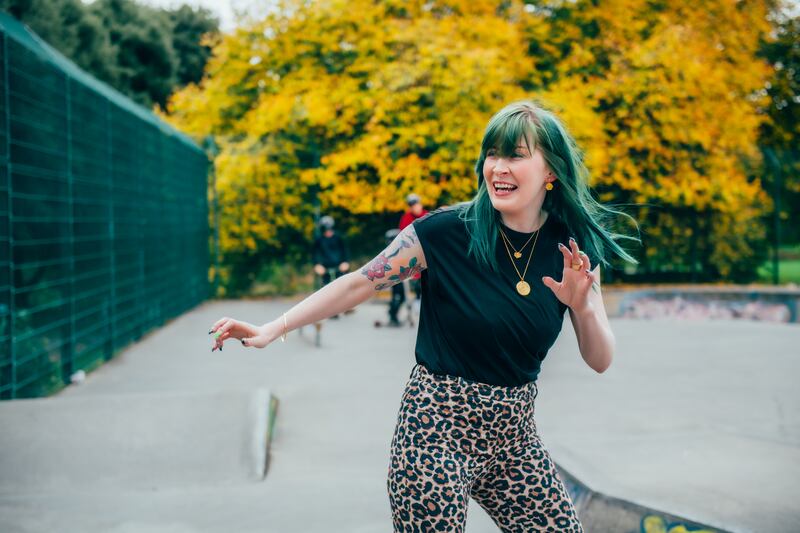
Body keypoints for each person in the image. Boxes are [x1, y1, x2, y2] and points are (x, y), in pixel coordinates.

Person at [208, 100, 640, 532]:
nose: (498, 167)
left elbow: (600, 359)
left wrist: (582, 306)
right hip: (435, 431)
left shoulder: (573, 248)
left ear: (551, 171)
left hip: (513, 438)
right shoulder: (443, 233)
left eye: (516, 155)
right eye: (492, 154)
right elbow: (359, 282)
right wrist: (273, 327)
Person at [387, 194, 429, 327]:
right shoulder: (406, 218)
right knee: (400, 288)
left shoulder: (427, 215)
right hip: (411, 253)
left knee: (424, 285)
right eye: (412, 206)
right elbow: (403, 237)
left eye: (416, 204)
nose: (415, 208)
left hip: (426, 252)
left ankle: (422, 308)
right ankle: (394, 314)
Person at [312, 215, 350, 318]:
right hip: (325, 268)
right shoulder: (319, 240)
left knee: (343, 286)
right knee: (326, 287)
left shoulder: (338, 238)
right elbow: (315, 253)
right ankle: (328, 308)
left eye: (329, 229)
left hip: (339, 266)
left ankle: (347, 306)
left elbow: (344, 251)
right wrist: (317, 265)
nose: (328, 232)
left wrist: (345, 262)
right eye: (325, 230)